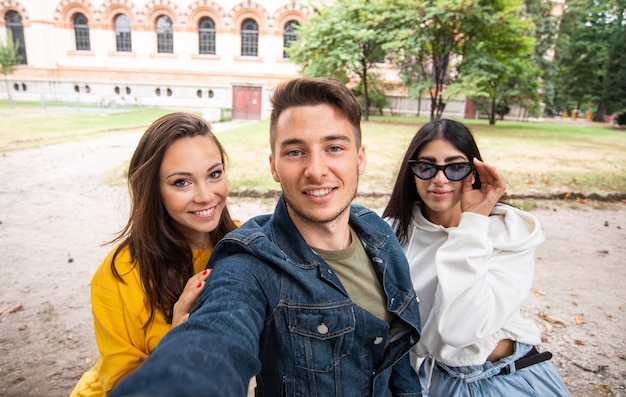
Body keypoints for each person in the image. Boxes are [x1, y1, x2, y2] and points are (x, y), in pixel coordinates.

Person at [109, 77, 422, 397]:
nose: (316, 170)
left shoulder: (379, 234)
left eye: (334, 148)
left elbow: (398, 360)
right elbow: (216, 338)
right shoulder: (250, 265)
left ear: (360, 159)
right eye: (296, 151)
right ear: (274, 167)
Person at [383, 119, 570, 396]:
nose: (440, 179)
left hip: (509, 377)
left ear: (475, 171)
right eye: (426, 166)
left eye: (456, 167)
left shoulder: (509, 231)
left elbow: (461, 329)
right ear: (411, 173)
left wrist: (471, 223)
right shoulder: (393, 232)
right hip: (437, 381)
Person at [70, 112, 238, 396]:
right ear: (153, 189)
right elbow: (119, 387)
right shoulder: (119, 275)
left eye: (214, 174)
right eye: (181, 182)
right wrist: (176, 340)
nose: (206, 195)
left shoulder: (245, 244)